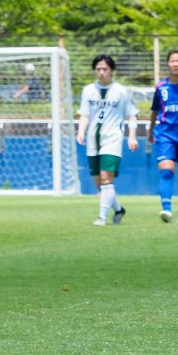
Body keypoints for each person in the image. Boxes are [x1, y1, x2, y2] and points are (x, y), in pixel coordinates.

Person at [76, 53, 138, 227]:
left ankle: (102, 217)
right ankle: (118, 210)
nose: (101, 72)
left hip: (112, 140)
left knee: (106, 179)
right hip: (92, 141)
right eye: (98, 69)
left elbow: (132, 114)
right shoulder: (88, 90)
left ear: (111, 70)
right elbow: (84, 114)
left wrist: (132, 136)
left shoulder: (120, 91)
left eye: (105, 69)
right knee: (100, 184)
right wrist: (81, 131)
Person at [148, 49, 178, 223]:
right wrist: (151, 131)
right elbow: (154, 111)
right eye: (173, 61)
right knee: (167, 171)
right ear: (168, 63)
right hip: (165, 135)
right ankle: (166, 209)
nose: (176, 64)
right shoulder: (161, 87)